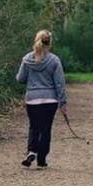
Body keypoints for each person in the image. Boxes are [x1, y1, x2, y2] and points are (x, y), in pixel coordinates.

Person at [16, 30, 67, 169]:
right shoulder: (54, 60)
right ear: (49, 43)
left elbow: (20, 78)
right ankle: (42, 160)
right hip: (49, 100)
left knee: (34, 126)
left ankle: (32, 150)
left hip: (32, 99)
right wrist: (62, 101)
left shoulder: (27, 59)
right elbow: (59, 83)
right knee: (45, 129)